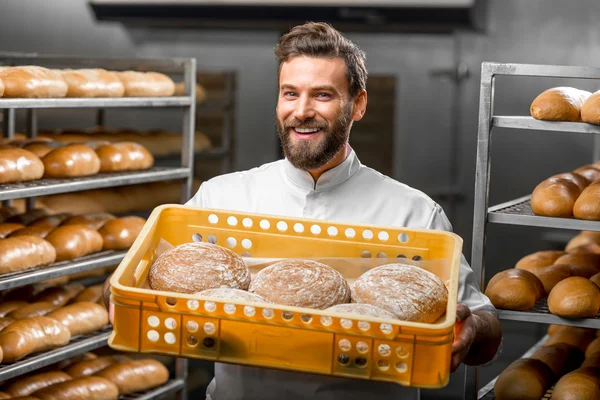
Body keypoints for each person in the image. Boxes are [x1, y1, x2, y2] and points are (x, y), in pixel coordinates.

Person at [104, 21, 502, 400]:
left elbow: (486, 330)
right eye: (290, 93)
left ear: (358, 104)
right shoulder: (220, 198)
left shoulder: (413, 213)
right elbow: (132, 283)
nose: (302, 110)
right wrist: (117, 292)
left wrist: (470, 331)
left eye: (323, 95)